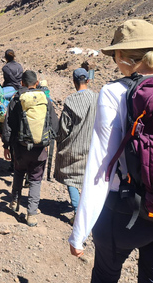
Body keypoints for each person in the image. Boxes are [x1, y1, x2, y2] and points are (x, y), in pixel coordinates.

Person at [68, 19, 153, 283]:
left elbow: (102, 165)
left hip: (126, 214)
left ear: (122, 56)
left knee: (105, 275)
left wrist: (79, 232)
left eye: (115, 54)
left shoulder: (115, 92)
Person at [2, 70, 58, 227]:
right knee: (35, 180)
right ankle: (32, 214)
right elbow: (55, 125)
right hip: (40, 150)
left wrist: (6, 145)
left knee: (19, 173)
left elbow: (9, 126)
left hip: (20, 148)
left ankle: (14, 201)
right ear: (37, 82)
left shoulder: (16, 100)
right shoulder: (45, 100)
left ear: (22, 83)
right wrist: (46, 141)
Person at [54, 68, 97, 224]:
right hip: (92, 147)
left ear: (73, 81)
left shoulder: (71, 101)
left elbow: (64, 128)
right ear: (88, 80)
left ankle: (78, 212)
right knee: (88, 179)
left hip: (73, 146)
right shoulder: (97, 98)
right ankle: (90, 212)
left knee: (71, 178)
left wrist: (59, 140)